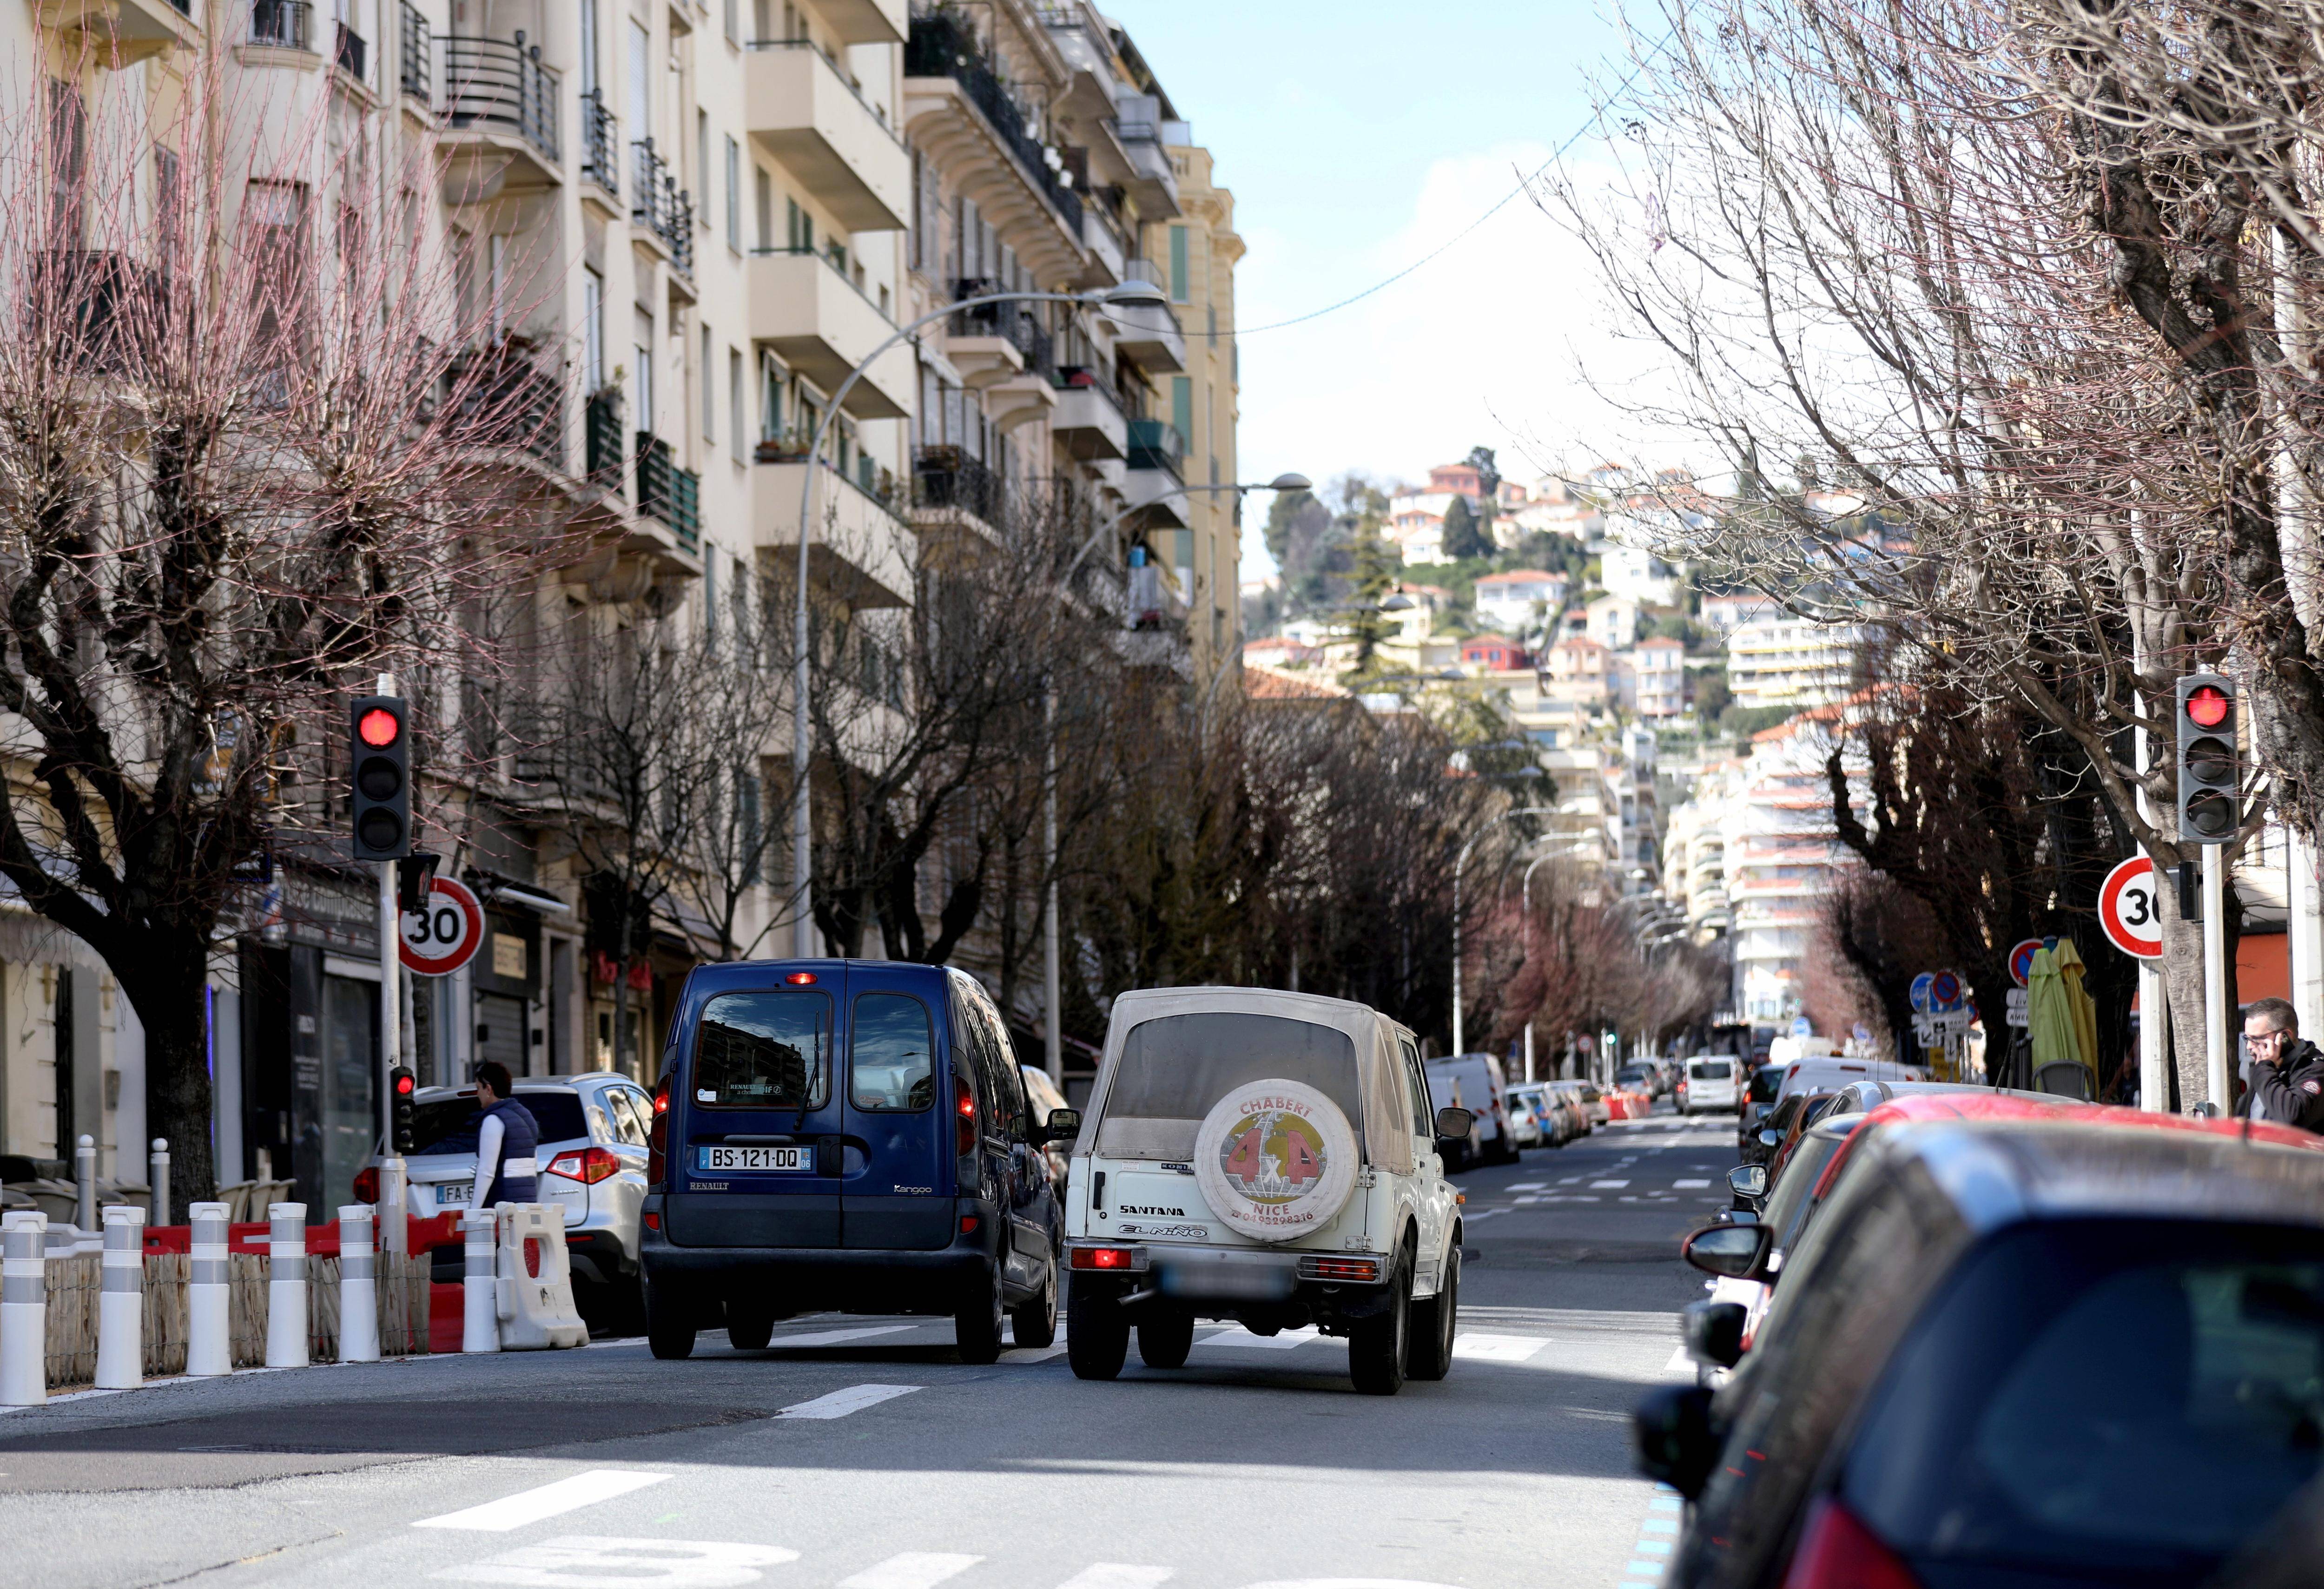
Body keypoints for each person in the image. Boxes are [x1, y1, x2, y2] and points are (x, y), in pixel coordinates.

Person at [2241, 998, 2324, 1133]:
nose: (2249, 1046)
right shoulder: (2268, 1067)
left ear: (2285, 1037)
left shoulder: (2315, 1070)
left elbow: (2290, 1117)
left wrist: (2264, 1068)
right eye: (2247, 1039)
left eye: (2256, 1039)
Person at [470, 1061, 541, 1207]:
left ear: (488, 1089)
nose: (477, 1094)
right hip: (527, 1205)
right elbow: (533, 1165)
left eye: (478, 1088)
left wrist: (474, 1210)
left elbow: (487, 1171)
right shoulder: (526, 1116)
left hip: (502, 1206)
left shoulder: (493, 1120)